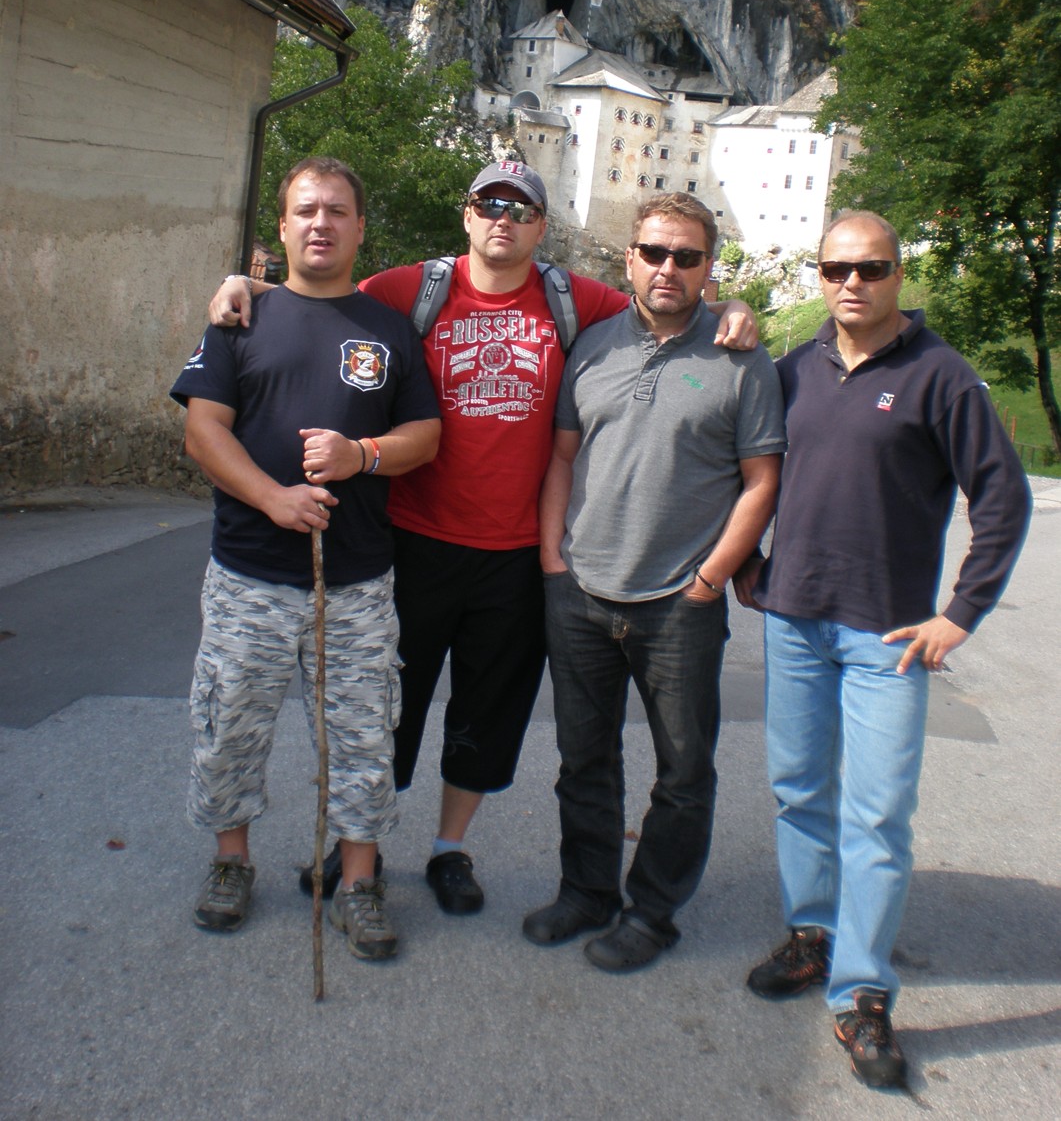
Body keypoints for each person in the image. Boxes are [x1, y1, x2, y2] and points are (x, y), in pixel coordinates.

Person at [207, 161, 759, 917]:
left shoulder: (573, 299)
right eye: (489, 203)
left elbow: (666, 296)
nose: (504, 218)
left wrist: (734, 305)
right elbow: (321, 297)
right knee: (388, 708)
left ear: (541, 227)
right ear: (467, 215)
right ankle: (359, 846)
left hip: (516, 553)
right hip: (414, 539)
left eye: (521, 209)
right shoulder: (411, 289)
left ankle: (449, 848)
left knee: (486, 713)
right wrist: (246, 284)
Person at [736, 210, 1031, 1089]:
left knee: (875, 815)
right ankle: (811, 933)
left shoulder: (940, 375)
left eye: (869, 268)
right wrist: (745, 562)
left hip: (887, 637)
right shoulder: (793, 368)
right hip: (793, 619)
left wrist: (960, 614)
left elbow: (1001, 497)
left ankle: (862, 992)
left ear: (898, 273)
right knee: (798, 792)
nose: (851, 284)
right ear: (819, 277)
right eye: (835, 270)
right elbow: (743, 468)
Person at [171, 156, 441, 961]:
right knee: (230, 725)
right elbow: (202, 431)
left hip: (354, 581)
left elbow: (425, 436)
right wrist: (273, 499)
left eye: (336, 210)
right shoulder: (239, 319)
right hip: (248, 574)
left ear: (359, 227)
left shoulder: (389, 329)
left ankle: (357, 882)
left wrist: (361, 455)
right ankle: (231, 862)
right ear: (284, 227)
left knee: (363, 737)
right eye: (306, 209)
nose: (321, 223)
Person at [523, 192, 787, 972]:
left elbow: (761, 482)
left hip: (678, 603)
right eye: (653, 252)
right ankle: (586, 891)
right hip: (580, 589)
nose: (667, 268)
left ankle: (652, 912)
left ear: (708, 269)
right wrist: (551, 559)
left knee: (682, 771)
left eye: (686, 256)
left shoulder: (740, 359)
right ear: (629, 258)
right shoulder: (593, 345)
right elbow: (563, 457)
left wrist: (708, 578)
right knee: (583, 759)